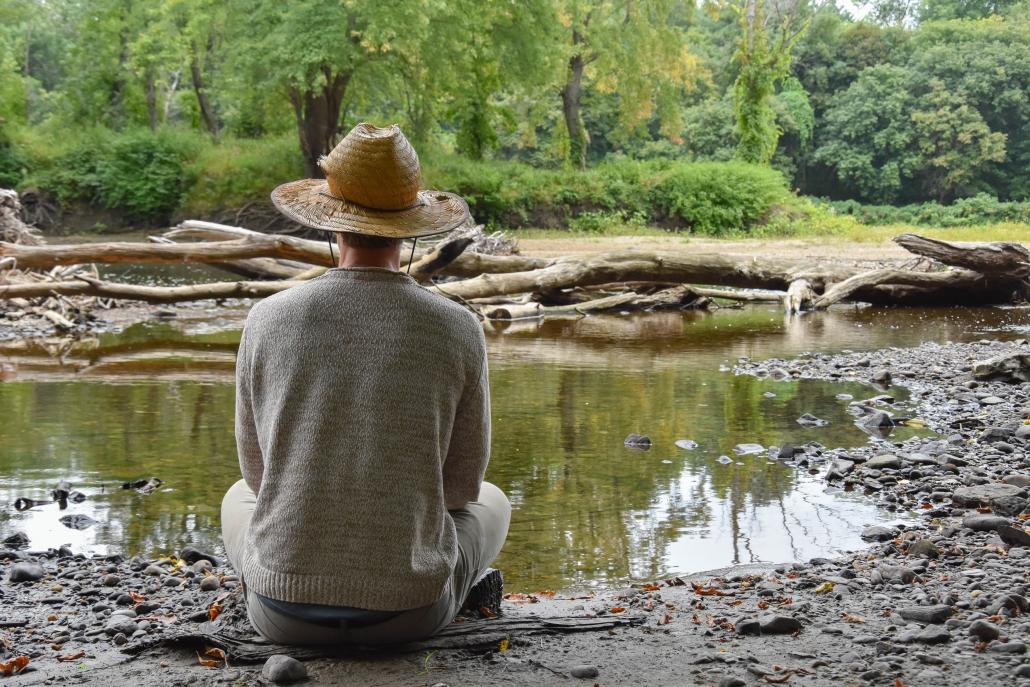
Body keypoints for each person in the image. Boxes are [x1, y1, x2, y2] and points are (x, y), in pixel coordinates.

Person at [220, 122, 511, 645]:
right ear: (411, 229)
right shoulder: (457, 325)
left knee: (236, 499)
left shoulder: (266, 318)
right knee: (494, 501)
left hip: (282, 616)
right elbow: (462, 488)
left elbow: (258, 475)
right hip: (410, 614)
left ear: (333, 227)